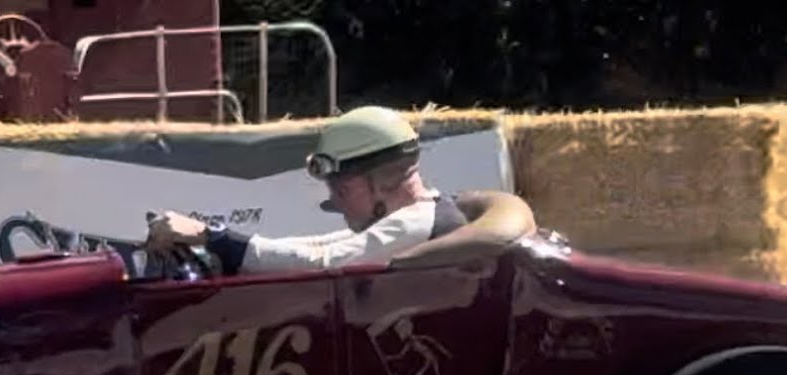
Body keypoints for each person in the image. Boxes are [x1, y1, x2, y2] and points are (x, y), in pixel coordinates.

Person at [144, 105, 536, 274]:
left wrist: (212, 236)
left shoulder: (415, 227)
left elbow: (326, 262)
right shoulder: (419, 219)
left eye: (341, 186)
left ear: (382, 180)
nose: (333, 198)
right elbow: (319, 245)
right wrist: (216, 243)